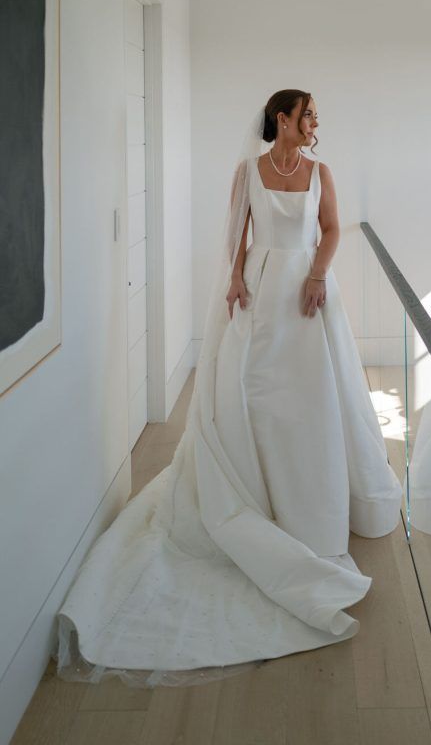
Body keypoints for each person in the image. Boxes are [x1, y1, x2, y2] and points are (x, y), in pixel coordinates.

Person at [55, 88, 403, 687]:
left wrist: (319, 276)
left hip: (309, 290)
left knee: (314, 402)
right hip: (263, 289)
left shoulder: (321, 172)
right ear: (282, 120)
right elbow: (235, 234)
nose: (315, 122)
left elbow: (330, 230)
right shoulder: (249, 171)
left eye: (314, 114)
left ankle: (313, 508)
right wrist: (235, 282)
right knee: (255, 397)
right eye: (307, 113)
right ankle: (257, 494)